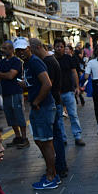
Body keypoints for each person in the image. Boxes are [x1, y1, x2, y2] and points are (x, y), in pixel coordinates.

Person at [13, 37, 59, 189]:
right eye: (17, 50)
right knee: (40, 141)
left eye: (23, 49)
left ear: (29, 48)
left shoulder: (35, 62)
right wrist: (26, 85)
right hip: (38, 107)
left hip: (43, 107)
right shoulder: (26, 64)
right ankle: (51, 172)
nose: (21, 53)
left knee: (46, 142)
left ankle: (51, 176)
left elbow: (47, 84)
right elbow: (38, 83)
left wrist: (36, 101)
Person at [29, 38, 68, 180]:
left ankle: (58, 168)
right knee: (56, 136)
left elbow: (47, 84)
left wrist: (37, 100)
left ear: (37, 47)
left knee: (52, 138)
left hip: (51, 103)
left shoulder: (47, 62)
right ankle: (60, 166)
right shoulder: (51, 60)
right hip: (55, 101)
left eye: (31, 50)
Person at [0, 40, 28, 148]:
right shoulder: (2, 62)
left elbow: (10, 76)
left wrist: (1, 74)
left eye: (5, 48)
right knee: (10, 116)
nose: (2, 50)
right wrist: (3, 74)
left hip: (15, 92)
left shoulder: (16, 61)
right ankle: (17, 137)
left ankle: (24, 138)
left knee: (19, 115)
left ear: (11, 49)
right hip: (6, 92)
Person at [53, 38, 85, 147]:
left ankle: (77, 136)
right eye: (57, 46)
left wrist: (77, 87)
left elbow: (74, 72)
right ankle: (62, 138)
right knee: (59, 118)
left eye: (61, 46)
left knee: (73, 115)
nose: (59, 48)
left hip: (68, 91)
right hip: (57, 93)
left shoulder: (68, 58)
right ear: (54, 47)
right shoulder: (52, 60)